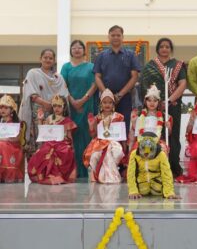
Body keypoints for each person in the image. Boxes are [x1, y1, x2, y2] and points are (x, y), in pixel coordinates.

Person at [141, 38, 186, 178]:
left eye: (167, 47)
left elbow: (183, 84)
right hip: (154, 108)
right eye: (162, 46)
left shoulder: (178, 65)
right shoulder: (150, 66)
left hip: (172, 106)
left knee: (173, 136)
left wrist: (169, 100)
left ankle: (173, 167)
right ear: (158, 49)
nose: (164, 49)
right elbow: (144, 85)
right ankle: (155, 166)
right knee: (156, 135)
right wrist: (155, 101)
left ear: (170, 49)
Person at [19, 49, 69, 157]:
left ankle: (51, 169)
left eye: (50, 58)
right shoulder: (33, 73)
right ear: (40, 59)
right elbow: (30, 92)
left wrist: (52, 104)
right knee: (38, 139)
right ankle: (37, 170)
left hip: (54, 113)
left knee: (52, 141)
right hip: (38, 113)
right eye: (45, 57)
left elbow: (63, 95)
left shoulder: (58, 78)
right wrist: (44, 103)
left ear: (54, 60)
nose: (48, 60)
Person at [93, 25, 141, 134]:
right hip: (105, 100)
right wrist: (106, 93)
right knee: (105, 127)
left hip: (124, 98)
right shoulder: (101, 56)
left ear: (122, 37)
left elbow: (134, 76)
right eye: (113, 35)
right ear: (108, 37)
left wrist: (120, 95)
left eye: (118, 35)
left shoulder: (131, 55)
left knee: (123, 128)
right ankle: (105, 150)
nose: (115, 37)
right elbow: (97, 77)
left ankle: (122, 151)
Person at [61, 40, 97, 179]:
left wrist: (83, 100)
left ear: (84, 50)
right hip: (70, 107)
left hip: (87, 105)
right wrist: (72, 101)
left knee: (87, 135)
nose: (77, 50)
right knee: (72, 136)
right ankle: (73, 171)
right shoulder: (66, 67)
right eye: (74, 48)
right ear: (71, 51)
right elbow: (63, 85)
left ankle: (88, 171)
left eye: (79, 47)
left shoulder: (91, 66)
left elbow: (95, 84)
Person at [28, 95, 77, 185]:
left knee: (63, 151)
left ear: (64, 107)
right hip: (49, 143)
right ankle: (46, 175)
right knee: (41, 152)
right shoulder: (49, 119)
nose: (56, 108)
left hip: (62, 143)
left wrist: (71, 147)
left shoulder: (67, 121)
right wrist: (40, 119)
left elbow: (70, 138)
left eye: (59, 106)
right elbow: (43, 132)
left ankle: (57, 176)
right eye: (54, 106)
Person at [83, 89, 125, 184]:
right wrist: (91, 125)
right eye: (105, 102)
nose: (107, 105)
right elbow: (93, 135)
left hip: (113, 142)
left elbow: (121, 134)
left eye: (110, 102)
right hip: (99, 142)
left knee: (117, 152)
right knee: (94, 155)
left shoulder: (118, 117)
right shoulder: (97, 117)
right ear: (100, 104)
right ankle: (95, 174)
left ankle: (111, 175)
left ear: (113, 104)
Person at [127, 132, 179, 199]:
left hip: (158, 188)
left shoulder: (161, 155)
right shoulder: (134, 154)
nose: (146, 154)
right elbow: (131, 174)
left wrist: (169, 193)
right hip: (141, 189)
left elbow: (166, 174)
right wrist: (133, 191)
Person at [128, 84, 171, 154]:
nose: (152, 103)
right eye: (149, 100)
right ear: (145, 101)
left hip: (157, 141)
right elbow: (135, 134)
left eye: (155, 101)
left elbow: (167, 134)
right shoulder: (139, 115)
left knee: (163, 149)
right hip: (142, 140)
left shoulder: (163, 116)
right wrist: (134, 124)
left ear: (158, 102)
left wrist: (168, 127)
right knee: (136, 150)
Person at [0, 95, 25, 183]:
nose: (2, 110)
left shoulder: (15, 123)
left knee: (1, 145)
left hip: (12, 146)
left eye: (6, 108)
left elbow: (17, 139)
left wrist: (4, 139)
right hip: (3, 143)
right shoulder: (1, 122)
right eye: (1, 107)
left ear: (11, 110)